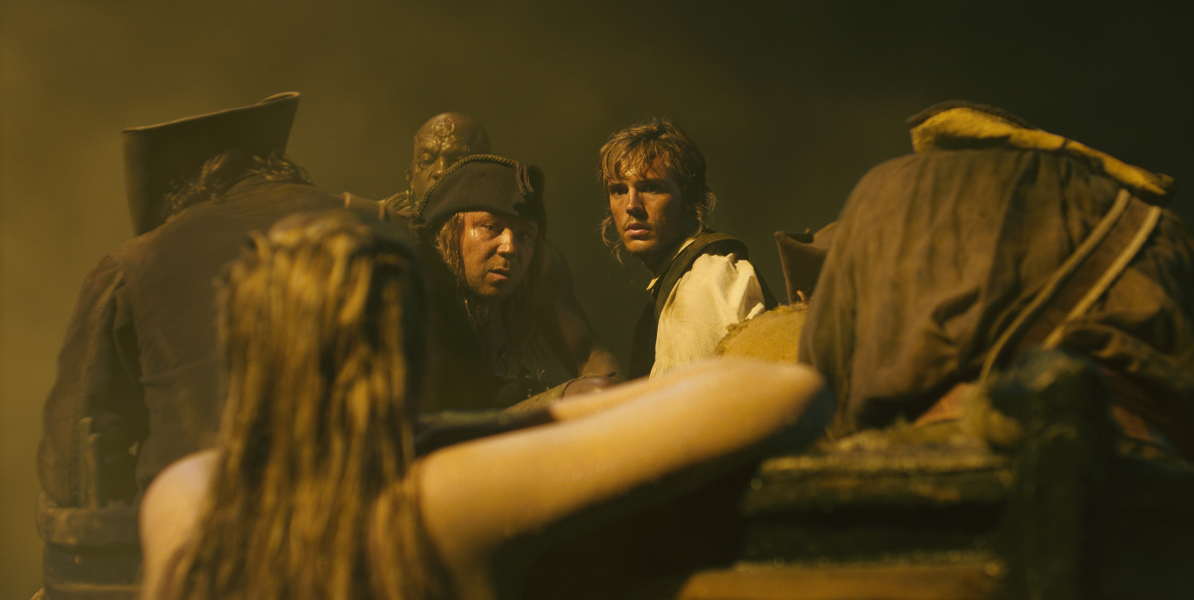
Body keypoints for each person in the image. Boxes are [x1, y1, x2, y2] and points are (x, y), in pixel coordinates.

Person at [136, 211, 831, 600]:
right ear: (409, 351)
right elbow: (782, 393)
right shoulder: (440, 498)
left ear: (243, 350)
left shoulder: (186, 498)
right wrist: (490, 427)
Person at [799, 101, 1194, 469]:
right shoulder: (1167, 230)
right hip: (1143, 469)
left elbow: (825, 378)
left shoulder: (888, 191)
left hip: (943, 455)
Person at [37, 92, 367, 514]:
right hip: (370, 518)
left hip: (206, 529)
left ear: (174, 187)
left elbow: (74, 464)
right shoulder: (372, 224)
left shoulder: (132, 267)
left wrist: (137, 530)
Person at [385, 113, 620, 391]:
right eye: (427, 160)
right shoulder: (385, 243)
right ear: (410, 173)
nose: (440, 171)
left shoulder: (535, 259)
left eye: (458, 162)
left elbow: (585, 354)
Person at [599, 118, 776, 380]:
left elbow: (701, 396)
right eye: (619, 190)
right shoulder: (679, 275)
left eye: (651, 188)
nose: (631, 205)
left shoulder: (705, 278)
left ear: (690, 197)